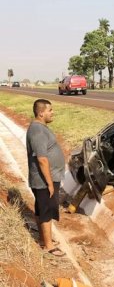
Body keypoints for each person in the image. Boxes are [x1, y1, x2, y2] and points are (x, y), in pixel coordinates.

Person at [26, 99, 66, 256]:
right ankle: (48, 246)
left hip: (47, 178)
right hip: (43, 180)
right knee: (46, 211)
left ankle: (44, 239)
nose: (52, 112)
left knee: (42, 208)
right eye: (50, 110)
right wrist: (49, 183)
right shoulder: (37, 131)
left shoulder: (41, 128)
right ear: (41, 112)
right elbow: (42, 159)